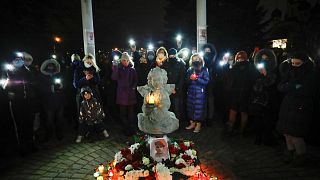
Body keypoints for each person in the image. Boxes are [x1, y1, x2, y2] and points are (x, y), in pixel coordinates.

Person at [277, 51, 318, 166]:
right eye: (293, 63)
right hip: (288, 106)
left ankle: (300, 155)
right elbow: (281, 86)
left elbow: (306, 90)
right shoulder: (290, 71)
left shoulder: (311, 75)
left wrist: (290, 88)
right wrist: (293, 86)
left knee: (296, 134)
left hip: (301, 107)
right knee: (286, 132)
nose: (294, 65)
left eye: (297, 63)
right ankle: (290, 151)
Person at [5, 52, 38, 155]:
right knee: (20, 125)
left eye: (20, 59)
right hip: (17, 102)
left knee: (29, 123)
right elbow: (6, 86)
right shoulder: (9, 71)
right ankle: (22, 146)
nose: (18, 61)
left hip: (28, 101)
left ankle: (30, 143)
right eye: (16, 59)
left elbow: (33, 83)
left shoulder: (27, 71)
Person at [250, 49, 278, 145]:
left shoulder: (274, 72)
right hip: (258, 101)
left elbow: (271, 85)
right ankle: (258, 137)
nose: (264, 60)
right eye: (262, 58)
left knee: (268, 121)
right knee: (258, 120)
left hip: (269, 101)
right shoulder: (256, 72)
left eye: (266, 59)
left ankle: (267, 138)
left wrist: (266, 75)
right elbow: (254, 87)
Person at [225, 51, 255, 135]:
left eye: (241, 57)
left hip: (243, 92)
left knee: (240, 111)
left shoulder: (246, 67)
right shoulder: (248, 67)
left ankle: (238, 129)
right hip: (238, 92)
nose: (239, 59)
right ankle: (238, 129)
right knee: (236, 111)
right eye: (238, 57)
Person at [38, 59, 66, 141]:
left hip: (59, 100)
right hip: (48, 101)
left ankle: (59, 132)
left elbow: (65, 84)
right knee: (49, 119)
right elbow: (40, 88)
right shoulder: (42, 76)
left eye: (52, 65)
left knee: (60, 118)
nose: (51, 67)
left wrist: (61, 86)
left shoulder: (59, 74)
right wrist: (51, 88)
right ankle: (49, 133)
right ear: (46, 66)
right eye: (49, 65)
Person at [112, 52, 138, 136]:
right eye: (124, 60)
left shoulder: (132, 69)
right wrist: (115, 67)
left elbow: (135, 80)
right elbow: (114, 78)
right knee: (123, 114)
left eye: (127, 60)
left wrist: (133, 87)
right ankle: (125, 129)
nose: (126, 62)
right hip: (121, 94)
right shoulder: (118, 69)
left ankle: (131, 129)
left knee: (131, 113)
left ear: (129, 60)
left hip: (130, 95)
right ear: (121, 60)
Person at [185, 53, 210, 133]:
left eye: (197, 59)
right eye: (194, 59)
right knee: (191, 108)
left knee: (199, 109)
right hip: (191, 92)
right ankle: (192, 123)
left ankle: (198, 125)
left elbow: (206, 81)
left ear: (200, 59)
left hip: (200, 93)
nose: (196, 60)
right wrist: (189, 79)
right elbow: (186, 81)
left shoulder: (204, 69)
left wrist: (197, 78)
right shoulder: (189, 69)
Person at [161, 48, 186, 121]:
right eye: (170, 55)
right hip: (167, 90)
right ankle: (169, 123)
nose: (172, 57)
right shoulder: (165, 63)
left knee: (177, 108)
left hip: (177, 90)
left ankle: (177, 124)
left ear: (176, 55)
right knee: (168, 107)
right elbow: (162, 76)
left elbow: (182, 77)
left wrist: (176, 88)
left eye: (173, 55)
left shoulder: (181, 63)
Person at [202, 43, 217, 126]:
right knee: (203, 100)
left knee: (210, 101)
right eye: (205, 50)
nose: (207, 52)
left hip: (211, 83)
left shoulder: (214, 61)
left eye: (208, 50)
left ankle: (210, 118)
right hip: (203, 83)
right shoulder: (202, 61)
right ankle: (204, 117)